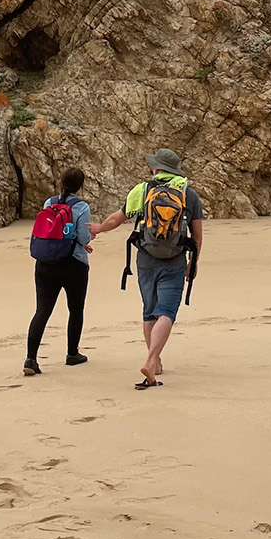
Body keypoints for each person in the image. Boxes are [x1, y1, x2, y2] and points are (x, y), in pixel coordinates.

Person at [91, 148, 204, 390]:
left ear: (156, 169)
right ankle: (152, 359)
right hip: (174, 259)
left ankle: (156, 359)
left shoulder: (142, 191)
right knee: (167, 312)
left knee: (149, 310)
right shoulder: (188, 194)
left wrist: (98, 228)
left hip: (145, 258)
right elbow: (196, 235)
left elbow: (117, 219)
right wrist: (193, 263)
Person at [24, 168, 92, 375]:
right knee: (75, 309)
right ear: (80, 186)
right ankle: (72, 354)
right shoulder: (82, 207)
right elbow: (83, 238)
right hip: (74, 264)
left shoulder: (49, 203)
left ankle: (31, 359)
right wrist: (87, 241)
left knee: (42, 311)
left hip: (45, 263)